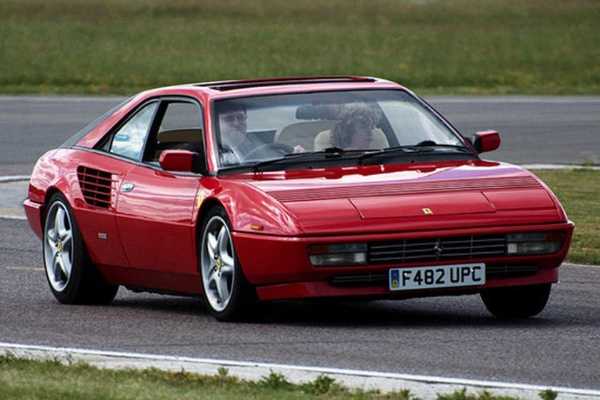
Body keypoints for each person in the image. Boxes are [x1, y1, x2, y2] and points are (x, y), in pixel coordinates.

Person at [313, 103, 388, 151]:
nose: (370, 133)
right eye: (363, 127)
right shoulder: (324, 143)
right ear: (348, 130)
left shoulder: (379, 152)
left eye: (371, 127)